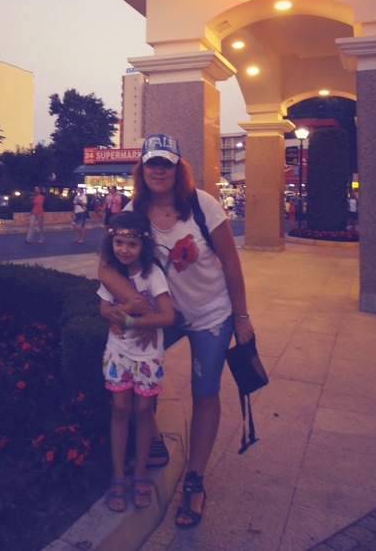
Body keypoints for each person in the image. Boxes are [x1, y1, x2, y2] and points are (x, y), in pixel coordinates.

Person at [99, 133, 255, 528]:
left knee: (205, 393)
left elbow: (231, 263)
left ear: (178, 168)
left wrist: (241, 317)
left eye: (165, 164)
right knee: (134, 375)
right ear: (142, 169)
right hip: (161, 315)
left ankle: (195, 481)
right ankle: (152, 442)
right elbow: (107, 266)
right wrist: (134, 306)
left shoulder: (202, 206)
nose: (158, 170)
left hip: (210, 313)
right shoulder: (134, 210)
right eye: (151, 163)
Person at [98, 211, 174, 512]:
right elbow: (104, 309)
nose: (124, 249)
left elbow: (168, 316)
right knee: (119, 409)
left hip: (147, 356)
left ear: (144, 245)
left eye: (132, 243)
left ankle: (140, 473)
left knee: (144, 411)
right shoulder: (112, 273)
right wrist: (129, 308)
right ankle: (118, 475)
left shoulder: (152, 275)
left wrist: (133, 321)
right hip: (117, 351)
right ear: (111, 242)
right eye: (119, 242)